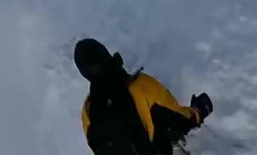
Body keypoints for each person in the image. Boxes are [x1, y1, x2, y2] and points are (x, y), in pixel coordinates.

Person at [75, 38, 214, 155]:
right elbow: (181, 120)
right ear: (106, 55)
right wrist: (199, 111)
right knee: (165, 119)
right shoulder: (141, 86)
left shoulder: (87, 112)